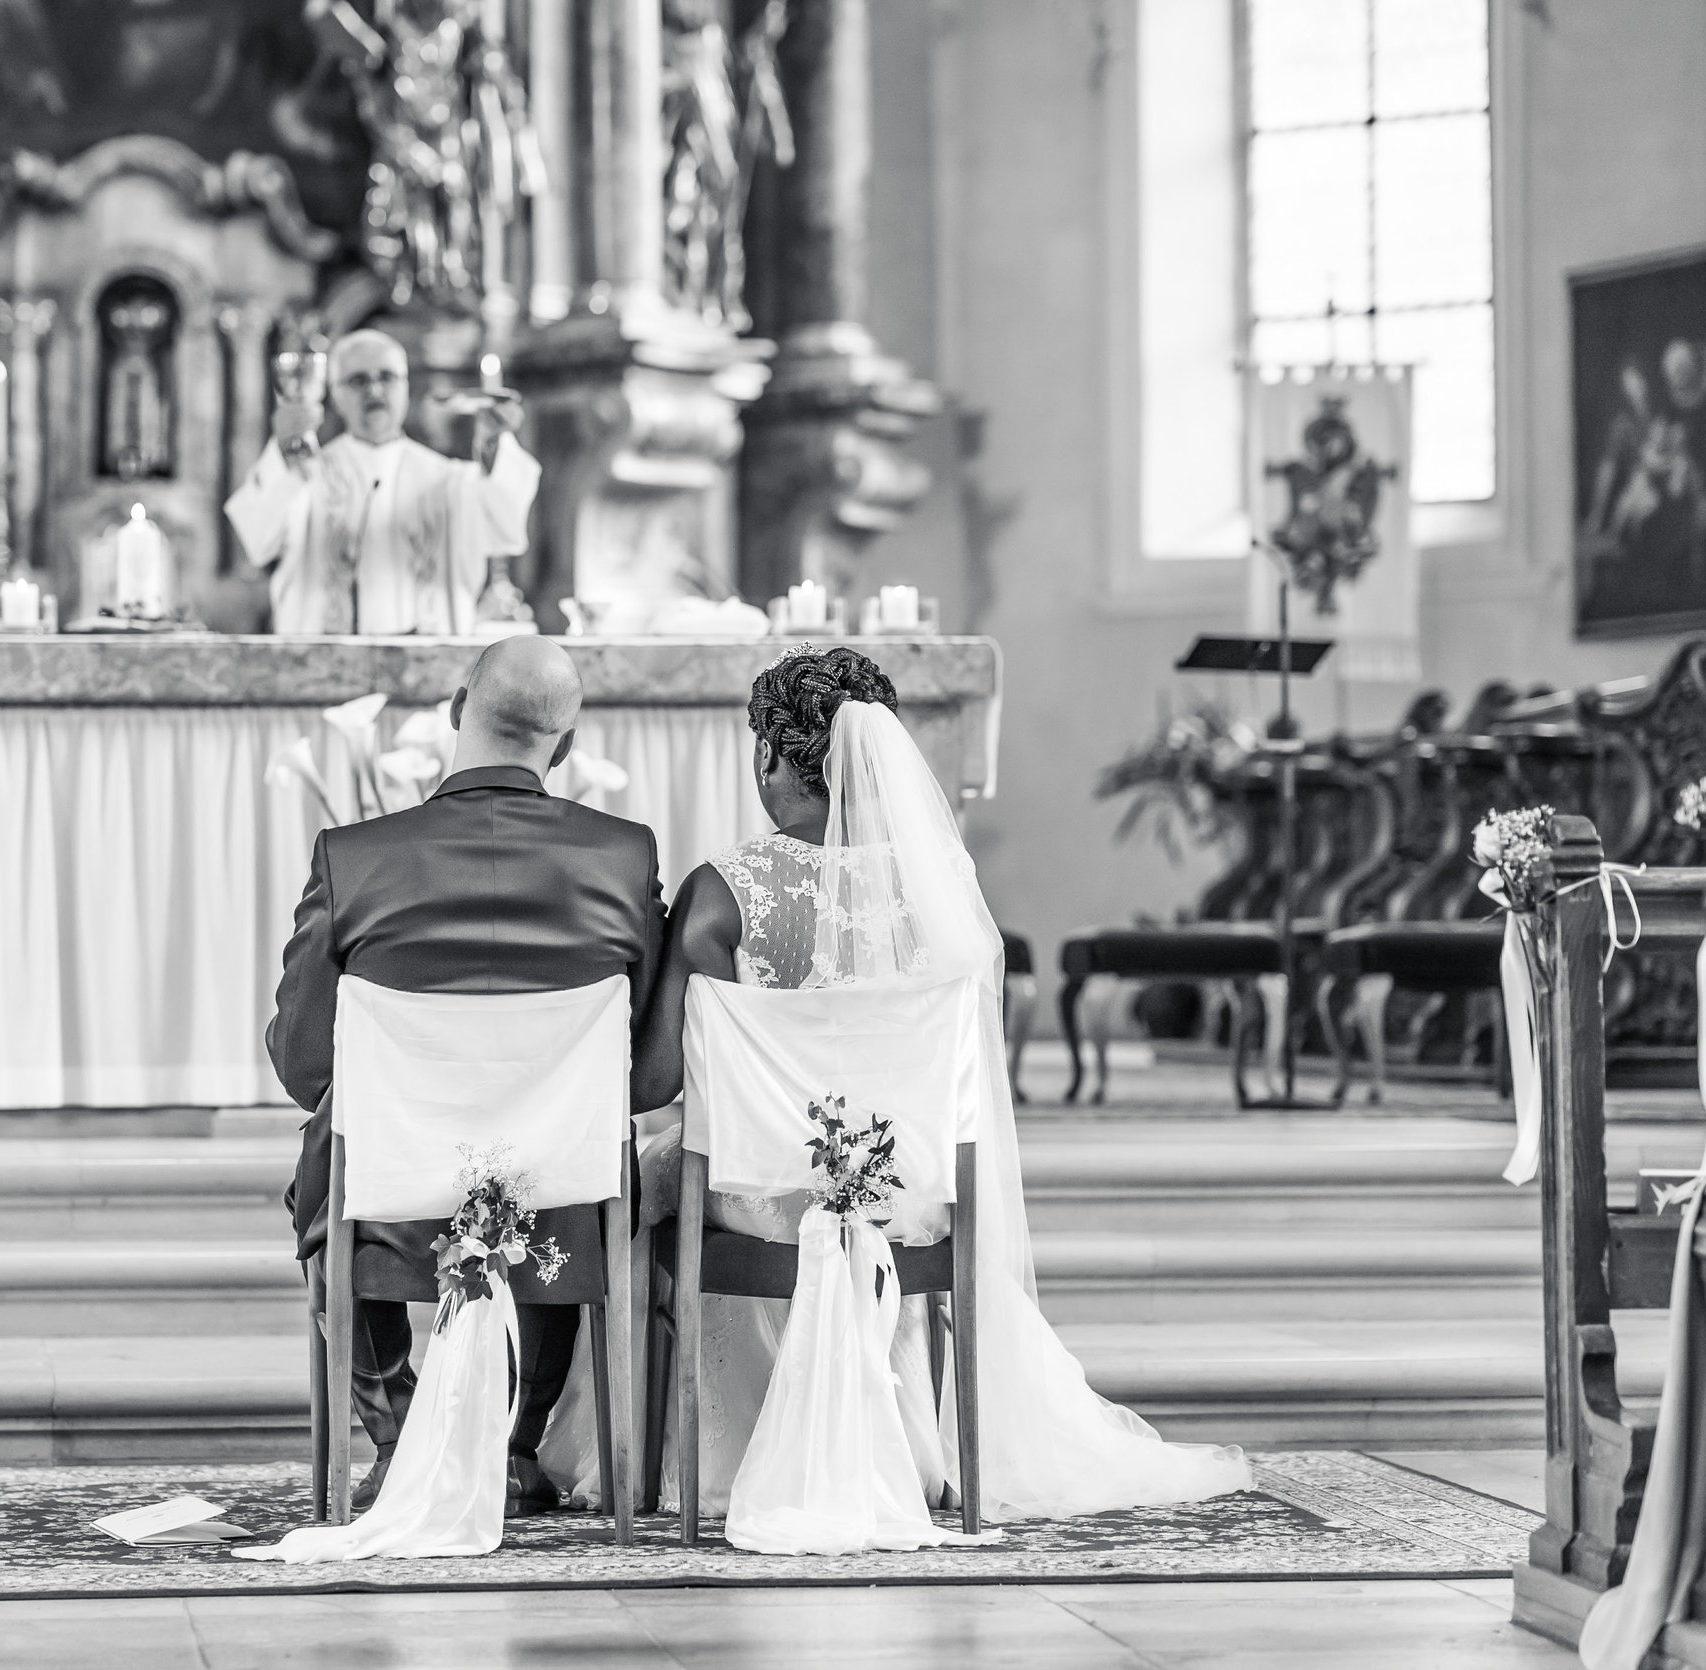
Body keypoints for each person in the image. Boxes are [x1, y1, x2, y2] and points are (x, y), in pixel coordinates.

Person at [618, 645, 1251, 1523]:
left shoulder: (721, 894)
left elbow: (653, 1082)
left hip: (761, 1198)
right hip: (903, 1193)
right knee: (861, 1188)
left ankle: (677, 1456)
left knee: (637, 1188)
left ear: (771, 755)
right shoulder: (941, 886)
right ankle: (915, 1441)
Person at [271, 635, 664, 1515]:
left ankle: (402, 1440)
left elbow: (303, 1065)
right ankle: (517, 1449)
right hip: (563, 1202)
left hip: (390, 1203)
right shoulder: (623, 856)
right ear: (562, 747)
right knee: (577, 1154)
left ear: (456, 709)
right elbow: (638, 1073)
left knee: (325, 1153)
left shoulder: (354, 857)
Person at [225, 328, 541, 635]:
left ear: (405, 387)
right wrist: (283, 450)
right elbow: (255, 542)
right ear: (334, 395)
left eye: (386, 377)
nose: (374, 391)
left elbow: (506, 528)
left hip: (428, 675)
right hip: (323, 673)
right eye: (358, 380)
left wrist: (493, 445)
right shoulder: (305, 475)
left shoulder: (448, 480)